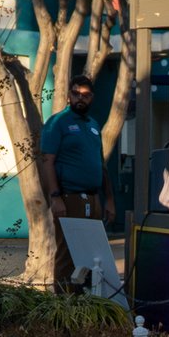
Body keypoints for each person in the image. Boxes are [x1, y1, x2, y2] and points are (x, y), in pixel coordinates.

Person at [39, 72, 107, 225]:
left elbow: (101, 164)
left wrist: (109, 199)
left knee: (90, 248)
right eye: (76, 94)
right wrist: (55, 197)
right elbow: (47, 161)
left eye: (86, 95)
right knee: (67, 247)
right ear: (69, 95)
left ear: (92, 98)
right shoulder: (57, 122)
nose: (80, 98)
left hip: (94, 197)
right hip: (69, 197)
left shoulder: (93, 125)